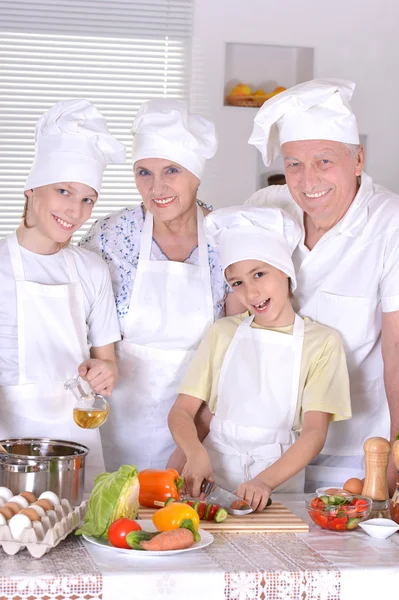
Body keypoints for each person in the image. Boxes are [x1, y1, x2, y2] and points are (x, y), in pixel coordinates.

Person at [245, 78, 399, 492]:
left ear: (357, 160)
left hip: (355, 451)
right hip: (264, 446)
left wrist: (396, 455)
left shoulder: (390, 224)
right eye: (293, 164)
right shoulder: (265, 208)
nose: (307, 180)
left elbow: (397, 352)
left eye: (324, 161)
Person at [80, 99, 241, 472]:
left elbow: (235, 351)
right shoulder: (110, 235)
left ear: (196, 174)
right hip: (113, 422)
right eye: (144, 172)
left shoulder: (228, 238)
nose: (157, 187)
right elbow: (79, 322)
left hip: (199, 425)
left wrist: (191, 444)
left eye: (171, 170)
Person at [168, 206, 351, 510]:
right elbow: (182, 412)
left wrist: (265, 481)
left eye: (259, 274)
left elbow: (315, 433)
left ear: (286, 271)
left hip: (278, 483)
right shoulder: (222, 333)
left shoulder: (322, 344)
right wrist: (194, 453)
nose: (251, 293)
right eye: (237, 282)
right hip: (210, 479)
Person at [0, 99, 125, 488]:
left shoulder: (91, 269)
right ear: (32, 189)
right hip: (8, 442)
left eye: (88, 199)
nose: (75, 211)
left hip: (76, 440)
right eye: (64, 191)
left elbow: (108, 364)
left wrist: (105, 374)